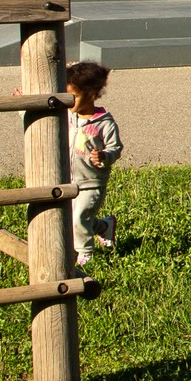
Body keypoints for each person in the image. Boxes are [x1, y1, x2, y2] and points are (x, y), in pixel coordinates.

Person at [65, 59, 123, 266]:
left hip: (92, 182)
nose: (68, 101)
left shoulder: (104, 122)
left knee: (78, 219)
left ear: (90, 96)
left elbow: (116, 148)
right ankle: (104, 227)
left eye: (72, 97)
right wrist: (23, 110)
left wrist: (105, 157)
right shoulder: (68, 115)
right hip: (69, 180)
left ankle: (85, 253)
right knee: (79, 219)